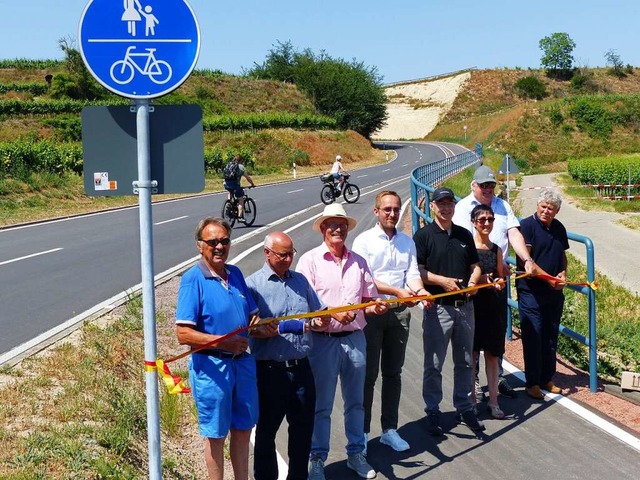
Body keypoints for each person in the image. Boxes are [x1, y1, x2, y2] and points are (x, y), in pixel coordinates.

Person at [175, 217, 273, 480]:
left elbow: (252, 318)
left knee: (243, 430)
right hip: (212, 369)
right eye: (213, 241)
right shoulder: (192, 279)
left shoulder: (236, 274)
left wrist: (262, 328)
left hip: (242, 364)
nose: (219, 246)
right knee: (216, 435)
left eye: (224, 240)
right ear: (200, 245)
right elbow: (183, 333)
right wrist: (223, 341)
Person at [296, 203, 387, 480]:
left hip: (355, 339)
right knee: (321, 404)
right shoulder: (309, 262)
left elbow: (369, 301)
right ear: (323, 228)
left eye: (342, 224)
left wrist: (375, 308)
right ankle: (317, 459)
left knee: (356, 402)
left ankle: (356, 453)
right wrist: (328, 317)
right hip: (322, 342)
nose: (338, 229)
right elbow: (303, 306)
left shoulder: (359, 261)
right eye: (332, 224)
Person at [352, 191, 432, 453]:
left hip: (399, 313)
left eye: (396, 209)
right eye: (387, 209)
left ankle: (389, 430)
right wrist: (397, 291)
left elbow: (411, 275)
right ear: (376, 212)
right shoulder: (363, 242)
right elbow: (364, 280)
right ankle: (362, 434)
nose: (393, 214)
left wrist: (419, 293)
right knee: (368, 376)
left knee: (393, 373)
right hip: (373, 313)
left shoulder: (407, 242)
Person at [246, 232, 329, 480]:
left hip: (302, 368)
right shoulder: (253, 286)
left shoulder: (300, 281)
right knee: (266, 433)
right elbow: (250, 328)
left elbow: (318, 313)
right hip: (270, 371)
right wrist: (265, 329)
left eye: (291, 254)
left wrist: (319, 320)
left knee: (303, 432)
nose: (287, 260)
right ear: (267, 253)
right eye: (282, 255)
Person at [452, 164, 538, 400]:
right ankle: (473, 384)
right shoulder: (462, 209)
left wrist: (526, 259)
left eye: (491, 185)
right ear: (474, 186)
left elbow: (513, 234)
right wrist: (475, 275)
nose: (488, 189)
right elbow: (458, 243)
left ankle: (496, 380)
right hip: (473, 277)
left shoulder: (502, 206)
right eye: (484, 186)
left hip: (498, 273)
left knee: (494, 333)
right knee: (473, 337)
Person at [413, 187, 484, 435]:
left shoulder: (464, 234)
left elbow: (475, 266)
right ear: (432, 206)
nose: (446, 207)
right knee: (434, 363)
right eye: (441, 203)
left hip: (465, 308)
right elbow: (417, 271)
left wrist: (474, 282)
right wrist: (442, 281)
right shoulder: (422, 236)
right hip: (439, 309)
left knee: (465, 361)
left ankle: (464, 407)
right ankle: (433, 409)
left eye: (449, 203)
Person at [515, 190, 569, 400]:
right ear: (537, 206)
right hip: (531, 292)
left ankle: (547, 377)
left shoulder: (558, 228)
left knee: (550, 335)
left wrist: (563, 273)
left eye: (551, 208)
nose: (546, 211)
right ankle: (532, 382)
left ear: (557, 211)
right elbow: (526, 262)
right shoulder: (527, 226)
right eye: (544, 207)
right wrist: (551, 279)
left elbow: (562, 255)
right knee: (534, 335)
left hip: (554, 293)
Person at [469, 204, 507, 419]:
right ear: (474, 222)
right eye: (482, 219)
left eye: (490, 219)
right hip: (474, 307)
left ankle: (494, 402)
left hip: (493, 307)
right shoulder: (468, 248)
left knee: (492, 356)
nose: (486, 223)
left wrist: (500, 281)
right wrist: (484, 280)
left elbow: (500, 275)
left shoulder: (497, 250)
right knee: (472, 355)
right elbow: (468, 280)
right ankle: (472, 402)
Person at [223, 154, 256, 223]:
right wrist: (252, 184)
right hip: (235, 184)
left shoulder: (229, 164)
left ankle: (229, 203)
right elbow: (247, 177)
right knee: (241, 199)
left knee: (230, 192)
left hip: (226, 183)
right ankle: (240, 217)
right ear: (241, 160)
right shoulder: (241, 167)